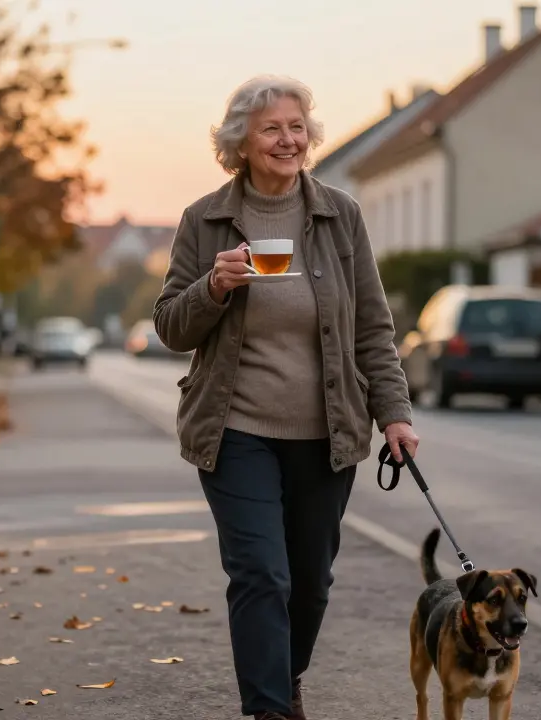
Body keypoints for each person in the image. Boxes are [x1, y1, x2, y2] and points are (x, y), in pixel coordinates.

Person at [152, 74, 419, 720]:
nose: (287, 139)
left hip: (327, 435)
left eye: (296, 127)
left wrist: (395, 415)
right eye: (271, 128)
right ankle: (270, 708)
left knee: (309, 585)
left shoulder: (339, 216)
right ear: (240, 141)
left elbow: (373, 330)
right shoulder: (204, 220)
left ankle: (286, 674)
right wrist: (211, 289)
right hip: (235, 431)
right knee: (261, 576)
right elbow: (168, 326)